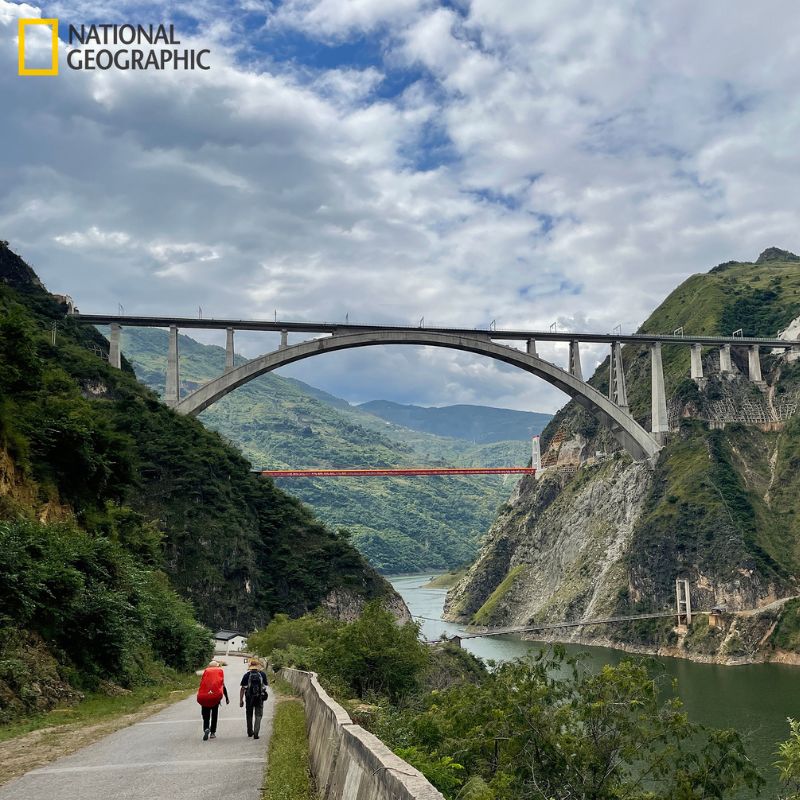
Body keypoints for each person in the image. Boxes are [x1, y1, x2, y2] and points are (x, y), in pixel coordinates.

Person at [196, 660, 229, 740]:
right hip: (215, 698)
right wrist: (227, 698)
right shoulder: (218, 674)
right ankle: (213, 733)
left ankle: (206, 728)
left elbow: (201, 686)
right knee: (214, 715)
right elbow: (223, 687)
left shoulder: (206, 673)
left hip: (204, 697)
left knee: (206, 716)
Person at [239, 658, 269, 739]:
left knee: (249, 714)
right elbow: (265, 686)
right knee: (258, 715)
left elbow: (242, 688)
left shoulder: (246, 675)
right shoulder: (262, 674)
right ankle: (256, 733)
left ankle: (249, 732)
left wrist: (241, 700)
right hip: (259, 698)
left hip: (249, 698)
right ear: (258, 666)